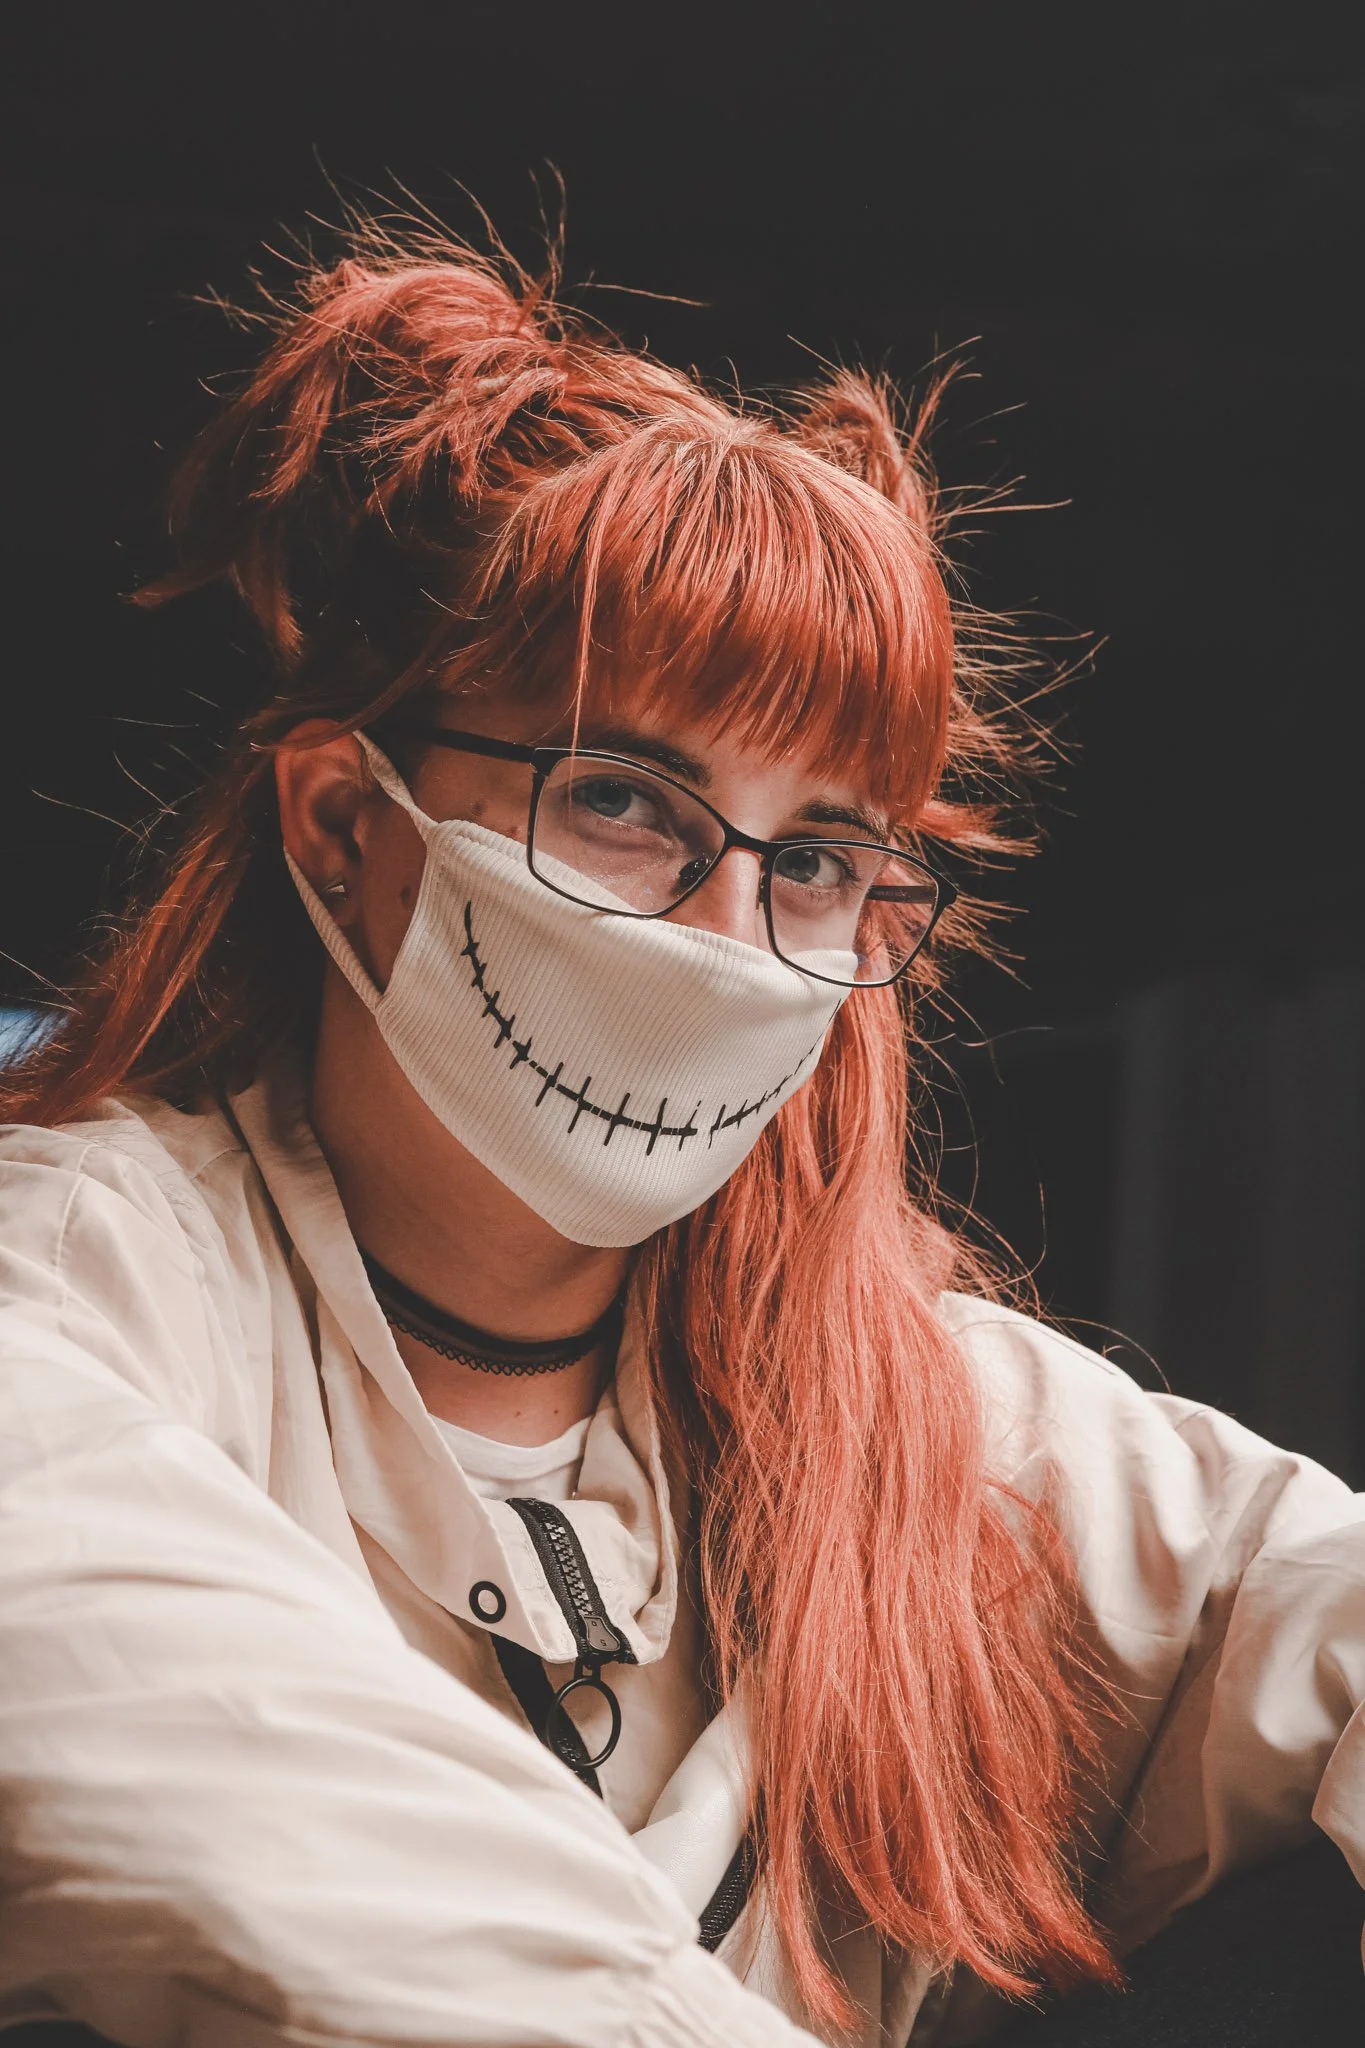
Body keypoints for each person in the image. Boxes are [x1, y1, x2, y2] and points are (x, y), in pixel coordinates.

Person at [0, 225, 1362, 2048]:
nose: (730, 941)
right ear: (343, 823)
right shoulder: (78, 1275)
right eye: (626, 802)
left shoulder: (932, 1424)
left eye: (818, 860)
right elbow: (160, 1723)